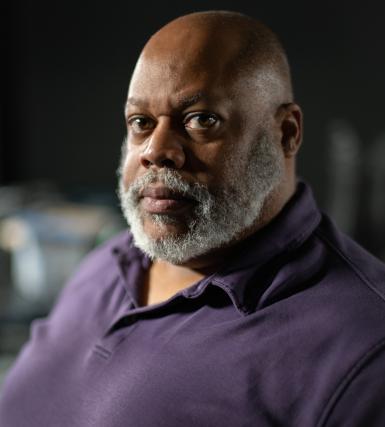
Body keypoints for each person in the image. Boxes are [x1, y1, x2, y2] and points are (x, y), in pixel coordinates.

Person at [1, 10, 385, 427]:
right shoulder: (107, 262)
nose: (156, 150)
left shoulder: (364, 347)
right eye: (140, 123)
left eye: (201, 120)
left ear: (286, 133)